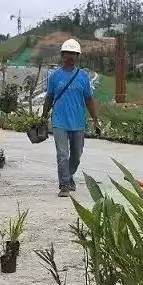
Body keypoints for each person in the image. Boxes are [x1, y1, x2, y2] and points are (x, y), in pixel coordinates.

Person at [41, 39, 101, 198]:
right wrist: (43, 116)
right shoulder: (55, 77)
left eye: (74, 54)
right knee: (62, 154)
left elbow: (89, 99)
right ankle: (64, 185)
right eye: (68, 53)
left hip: (78, 122)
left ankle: (69, 175)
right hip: (59, 121)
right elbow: (49, 97)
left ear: (77, 56)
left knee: (76, 155)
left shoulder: (82, 77)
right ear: (62, 55)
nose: (71, 56)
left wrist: (95, 119)